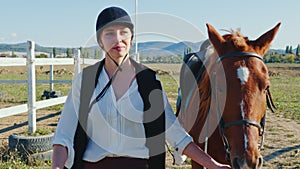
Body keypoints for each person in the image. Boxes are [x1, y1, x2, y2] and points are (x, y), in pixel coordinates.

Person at [51, 6, 231, 169]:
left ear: (131, 38)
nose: (118, 39)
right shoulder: (85, 81)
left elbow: (176, 135)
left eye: (124, 32)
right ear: (100, 41)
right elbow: (63, 136)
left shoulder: (148, 82)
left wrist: (214, 165)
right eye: (109, 34)